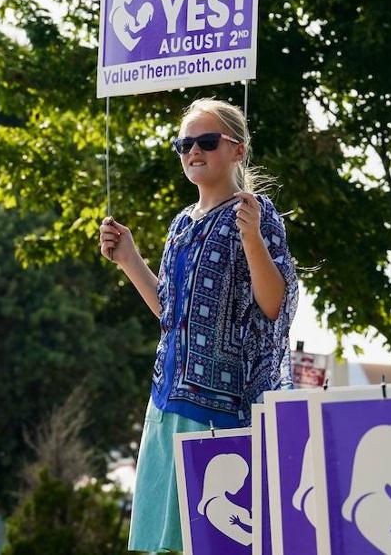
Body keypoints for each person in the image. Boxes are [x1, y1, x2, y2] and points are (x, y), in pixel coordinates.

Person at [99, 97, 298, 553]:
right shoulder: (179, 224)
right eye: (184, 144)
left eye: (206, 141)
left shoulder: (256, 212)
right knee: (160, 541)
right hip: (165, 400)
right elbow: (171, 314)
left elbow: (275, 306)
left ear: (237, 149)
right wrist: (129, 258)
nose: (193, 151)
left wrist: (252, 238)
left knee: (209, 541)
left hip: (221, 407)